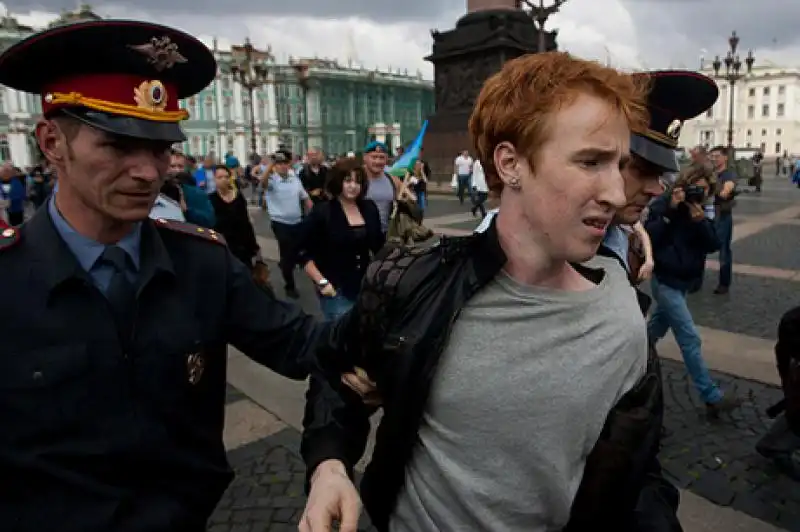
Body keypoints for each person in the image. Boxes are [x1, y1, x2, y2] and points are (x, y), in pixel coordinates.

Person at [299, 52, 680, 532]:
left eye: (619, 165)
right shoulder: (413, 283)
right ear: (510, 162)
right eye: (591, 161)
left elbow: (638, 474)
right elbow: (334, 373)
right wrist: (329, 465)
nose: (617, 193)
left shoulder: (624, 318)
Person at [0, 20, 345, 531]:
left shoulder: (201, 264)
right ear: (52, 142)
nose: (147, 171)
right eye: (118, 145)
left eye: (161, 147)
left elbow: (310, 347)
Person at [647, 164, 741, 415]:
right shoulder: (667, 202)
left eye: (704, 190)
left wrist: (700, 222)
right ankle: (711, 396)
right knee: (689, 338)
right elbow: (649, 237)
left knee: (653, 332)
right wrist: (671, 211)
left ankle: (633, 354)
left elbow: (713, 244)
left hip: (686, 281)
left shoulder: (703, 210)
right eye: (695, 188)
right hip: (666, 279)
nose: (697, 194)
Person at [297, 158, 383, 320]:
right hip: (336, 289)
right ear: (338, 181)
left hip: (365, 287)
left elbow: (379, 245)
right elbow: (302, 252)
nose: (353, 186)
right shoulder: (323, 212)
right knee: (340, 339)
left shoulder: (369, 208)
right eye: (347, 180)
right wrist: (322, 282)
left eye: (358, 181)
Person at [209, 164, 261, 268]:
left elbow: (246, 222)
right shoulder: (211, 199)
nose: (224, 180)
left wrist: (255, 248)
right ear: (214, 179)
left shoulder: (238, 197)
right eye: (220, 177)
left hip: (242, 245)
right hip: (223, 246)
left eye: (226, 177)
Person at [708, 145, 737, 295]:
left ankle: (724, 283)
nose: (714, 158)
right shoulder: (709, 173)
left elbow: (726, 192)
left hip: (722, 216)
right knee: (698, 245)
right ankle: (694, 279)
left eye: (717, 156)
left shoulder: (728, 174)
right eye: (712, 156)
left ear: (725, 157)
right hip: (707, 214)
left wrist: (711, 187)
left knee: (724, 250)